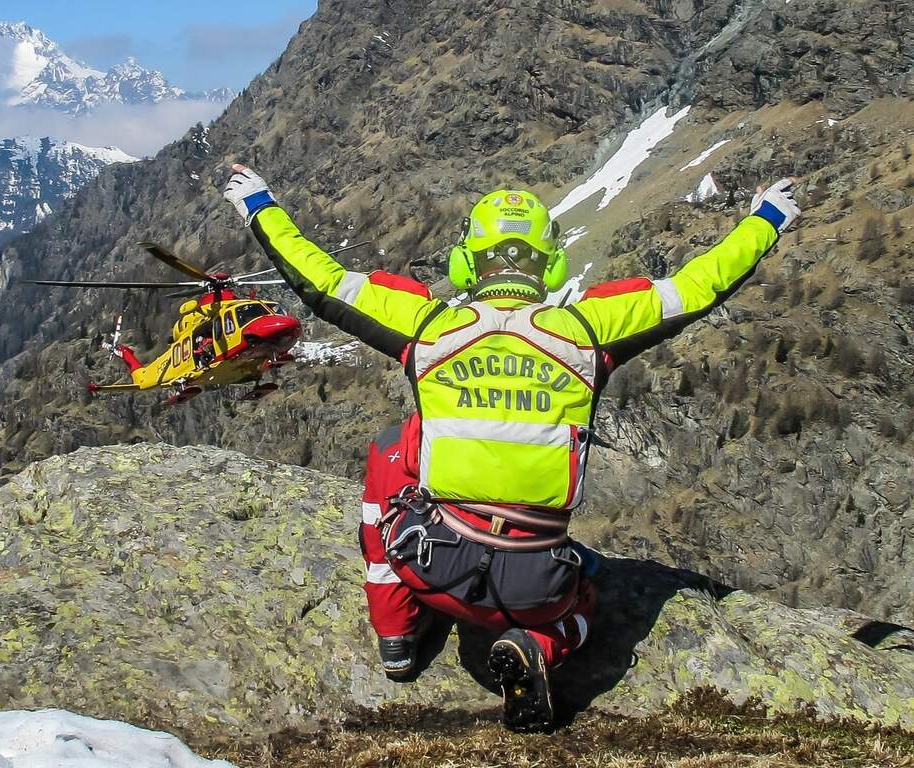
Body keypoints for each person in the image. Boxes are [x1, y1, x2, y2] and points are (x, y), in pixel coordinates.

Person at [224, 164, 800, 731]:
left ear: (465, 261)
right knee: (585, 603)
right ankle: (539, 646)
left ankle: (396, 635)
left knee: (390, 450)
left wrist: (261, 207)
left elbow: (320, 281)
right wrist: (765, 220)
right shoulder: (590, 330)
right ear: (551, 264)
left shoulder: (427, 328)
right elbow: (700, 285)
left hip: (434, 568)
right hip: (540, 589)